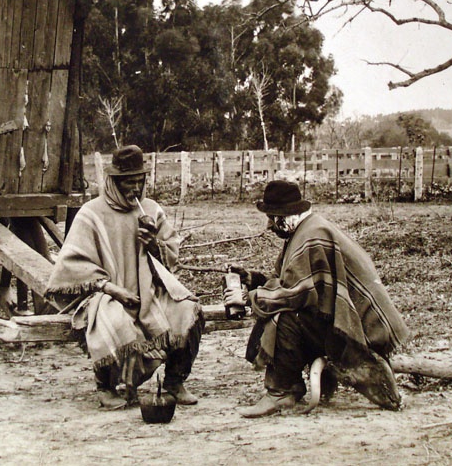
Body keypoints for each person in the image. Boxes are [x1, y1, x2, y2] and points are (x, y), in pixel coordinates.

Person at [225, 180, 411, 418]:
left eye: (272, 218)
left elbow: (295, 294)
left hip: (361, 332)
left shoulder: (311, 235)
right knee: (287, 312)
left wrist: (247, 299)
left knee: (285, 318)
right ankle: (296, 384)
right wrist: (254, 279)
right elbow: (288, 280)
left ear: (286, 216)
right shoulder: (307, 228)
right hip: (348, 319)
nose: (270, 225)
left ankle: (282, 391)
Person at [45, 145, 204, 410]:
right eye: (129, 183)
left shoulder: (151, 210)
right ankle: (106, 386)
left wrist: (154, 244)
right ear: (114, 181)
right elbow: (72, 265)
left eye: (140, 182)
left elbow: (172, 257)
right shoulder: (91, 213)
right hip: (104, 294)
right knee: (113, 320)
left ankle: (175, 381)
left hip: (148, 291)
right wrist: (113, 290)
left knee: (188, 311)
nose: (136, 189)